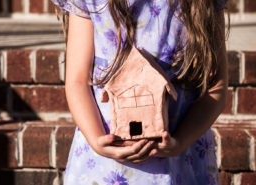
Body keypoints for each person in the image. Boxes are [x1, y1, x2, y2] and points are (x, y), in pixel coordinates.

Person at [50, 0, 229, 184]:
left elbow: (215, 87)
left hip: (180, 160)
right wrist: (97, 140)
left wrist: (180, 143)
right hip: (104, 162)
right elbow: (78, 81)